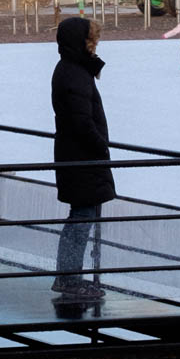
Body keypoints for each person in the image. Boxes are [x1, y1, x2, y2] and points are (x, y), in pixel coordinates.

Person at [51, 16, 113, 300]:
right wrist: (101, 146)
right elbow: (81, 122)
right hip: (81, 158)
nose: (95, 45)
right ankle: (69, 278)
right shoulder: (73, 74)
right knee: (80, 219)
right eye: (91, 40)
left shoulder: (74, 69)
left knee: (81, 218)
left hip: (78, 156)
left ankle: (70, 276)